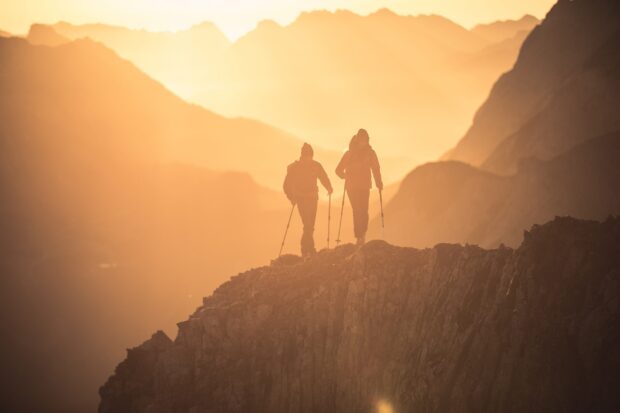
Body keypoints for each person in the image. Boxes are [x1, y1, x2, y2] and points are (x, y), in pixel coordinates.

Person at [283, 143, 333, 256]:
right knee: (308, 224)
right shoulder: (295, 168)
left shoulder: (315, 166)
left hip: (312, 198)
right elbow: (286, 185)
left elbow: (323, 177)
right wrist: (291, 197)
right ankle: (308, 250)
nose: (308, 159)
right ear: (302, 156)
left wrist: (329, 187)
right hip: (301, 198)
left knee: (310, 225)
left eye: (309, 156)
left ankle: (307, 249)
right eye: (306, 156)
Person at [336, 129, 383, 245]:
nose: (364, 143)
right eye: (362, 140)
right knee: (358, 210)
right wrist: (345, 176)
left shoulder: (370, 153)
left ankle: (362, 234)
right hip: (352, 187)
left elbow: (376, 169)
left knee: (364, 211)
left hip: (364, 186)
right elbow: (338, 170)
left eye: (366, 140)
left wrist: (379, 183)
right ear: (358, 140)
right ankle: (359, 237)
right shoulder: (349, 154)